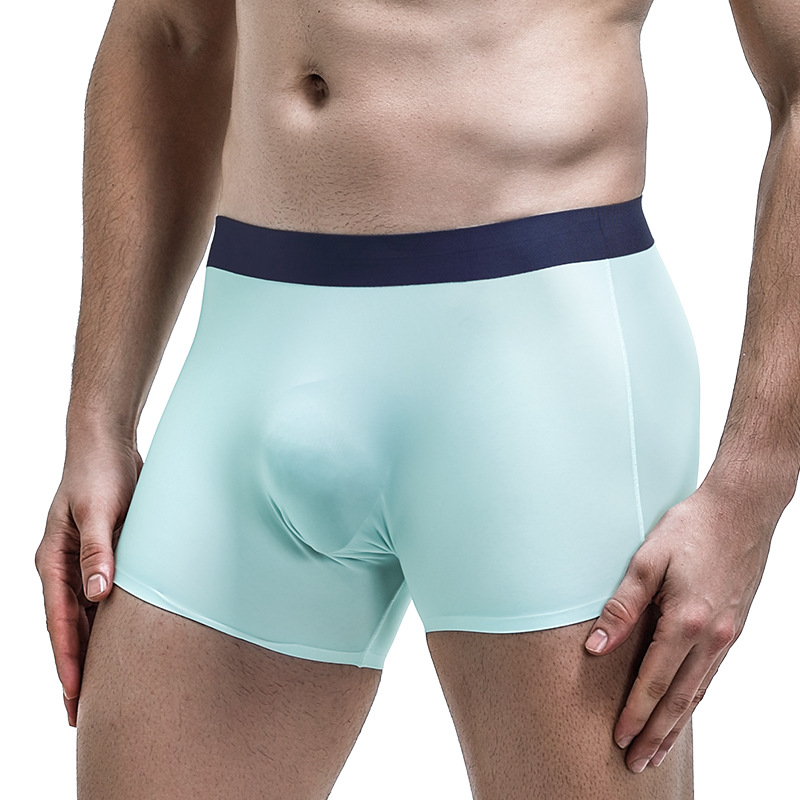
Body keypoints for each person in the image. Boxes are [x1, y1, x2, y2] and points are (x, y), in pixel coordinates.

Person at [34, 0, 799, 797]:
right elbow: (169, 35)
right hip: (250, 350)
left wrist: (752, 488)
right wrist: (98, 418)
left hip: (539, 371)